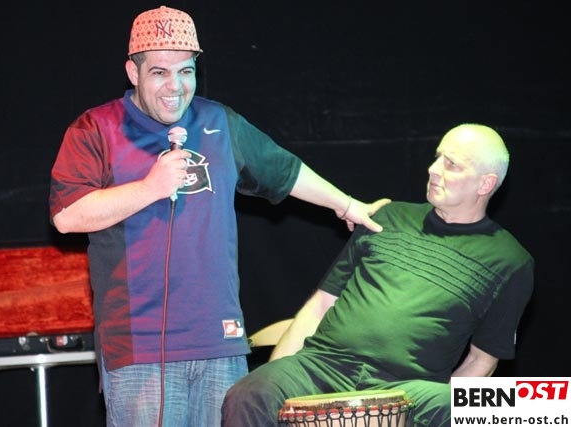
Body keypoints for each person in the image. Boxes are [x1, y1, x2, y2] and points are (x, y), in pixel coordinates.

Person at [48, 5, 390, 427]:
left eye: (186, 72)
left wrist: (348, 205)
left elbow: (284, 170)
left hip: (220, 343)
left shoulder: (218, 122)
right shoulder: (95, 129)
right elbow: (67, 215)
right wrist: (151, 187)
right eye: (159, 73)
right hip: (141, 351)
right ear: (133, 72)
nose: (175, 87)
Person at [221, 123, 534, 426]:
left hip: (408, 390)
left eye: (451, 164)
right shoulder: (387, 216)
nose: (433, 169)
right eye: (437, 157)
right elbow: (321, 304)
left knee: (505, 407)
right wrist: (278, 376)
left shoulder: (510, 261)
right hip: (323, 366)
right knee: (250, 394)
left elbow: (482, 360)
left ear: (485, 184)